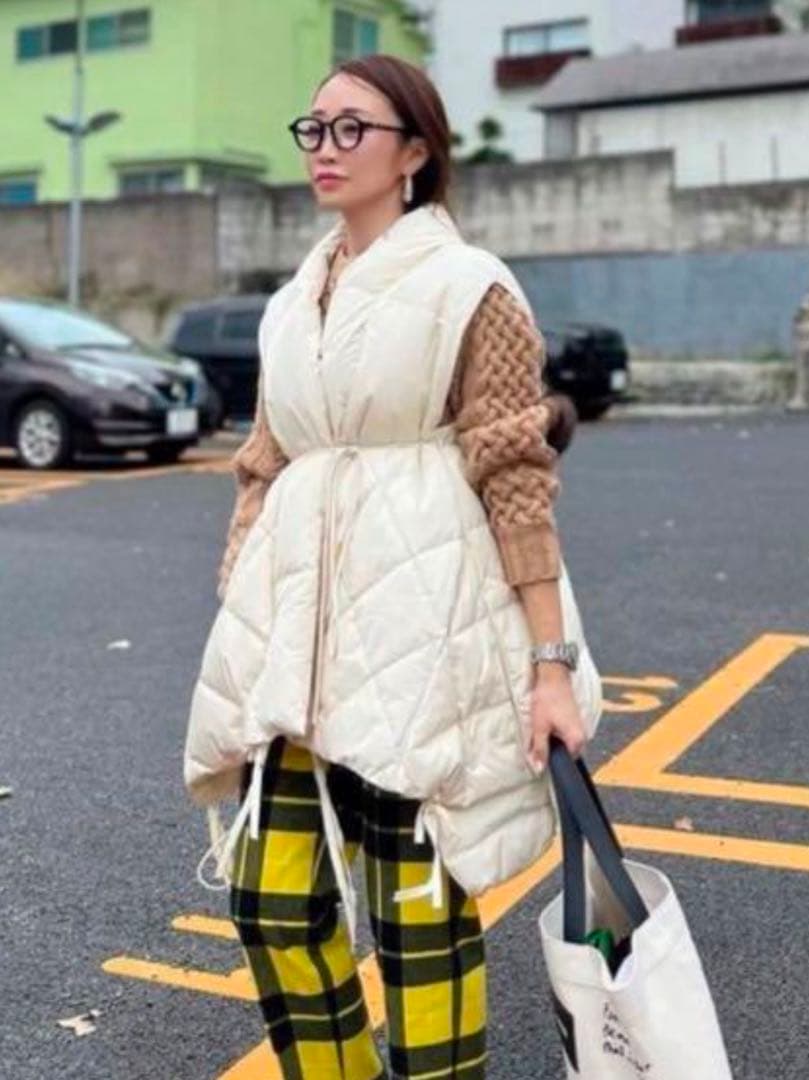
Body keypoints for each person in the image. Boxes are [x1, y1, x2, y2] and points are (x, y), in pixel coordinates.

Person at [183, 54, 592, 1080]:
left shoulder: (470, 285)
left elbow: (513, 473)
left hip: (428, 616)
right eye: (313, 128)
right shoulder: (290, 302)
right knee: (271, 898)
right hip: (298, 634)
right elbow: (262, 460)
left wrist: (548, 662)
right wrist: (241, 586)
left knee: (418, 910)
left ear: (414, 151)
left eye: (351, 128)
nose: (324, 148)